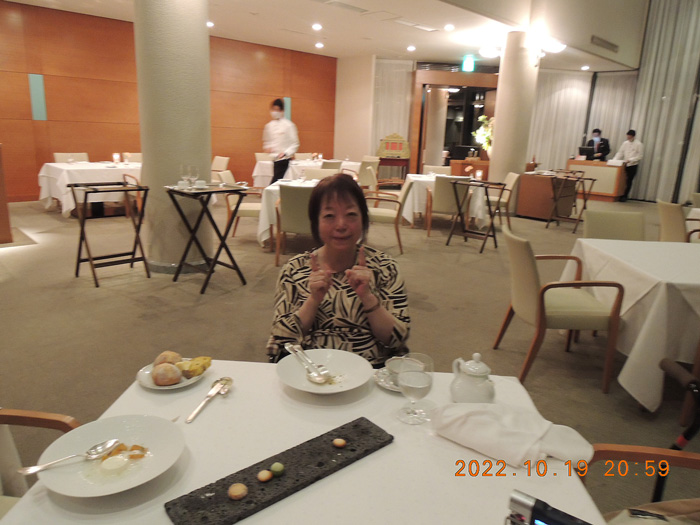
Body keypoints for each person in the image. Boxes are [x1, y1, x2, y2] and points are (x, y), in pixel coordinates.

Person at [267, 173, 410, 366]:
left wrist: (368, 297)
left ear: (363, 219)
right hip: (311, 372)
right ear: (316, 222)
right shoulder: (294, 270)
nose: (341, 225)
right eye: (329, 216)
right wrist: (313, 300)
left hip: (371, 371)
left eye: (351, 214)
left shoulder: (386, 267)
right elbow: (282, 338)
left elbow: (397, 339)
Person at [263, 98, 299, 184]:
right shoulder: (269, 126)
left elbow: (295, 143)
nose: (275, 112)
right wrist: (267, 148)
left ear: (282, 111)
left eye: (277, 110)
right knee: (276, 183)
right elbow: (266, 142)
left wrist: (285, 153)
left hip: (284, 159)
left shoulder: (289, 125)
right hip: (274, 159)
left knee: (275, 183)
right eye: (273, 109)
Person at [613, 129, 644, 202]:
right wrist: (614, 160)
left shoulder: (639, 144)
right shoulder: (625, 143)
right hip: (624, 164)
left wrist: (631, 160)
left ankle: (625, 196)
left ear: (633, 136)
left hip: (633, 165)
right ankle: (619, 194)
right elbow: (620, 153)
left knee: (629, 181)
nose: (628, 137)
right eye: (627, 136)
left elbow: (640, 156)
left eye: (629, 136)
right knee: (622, 180)